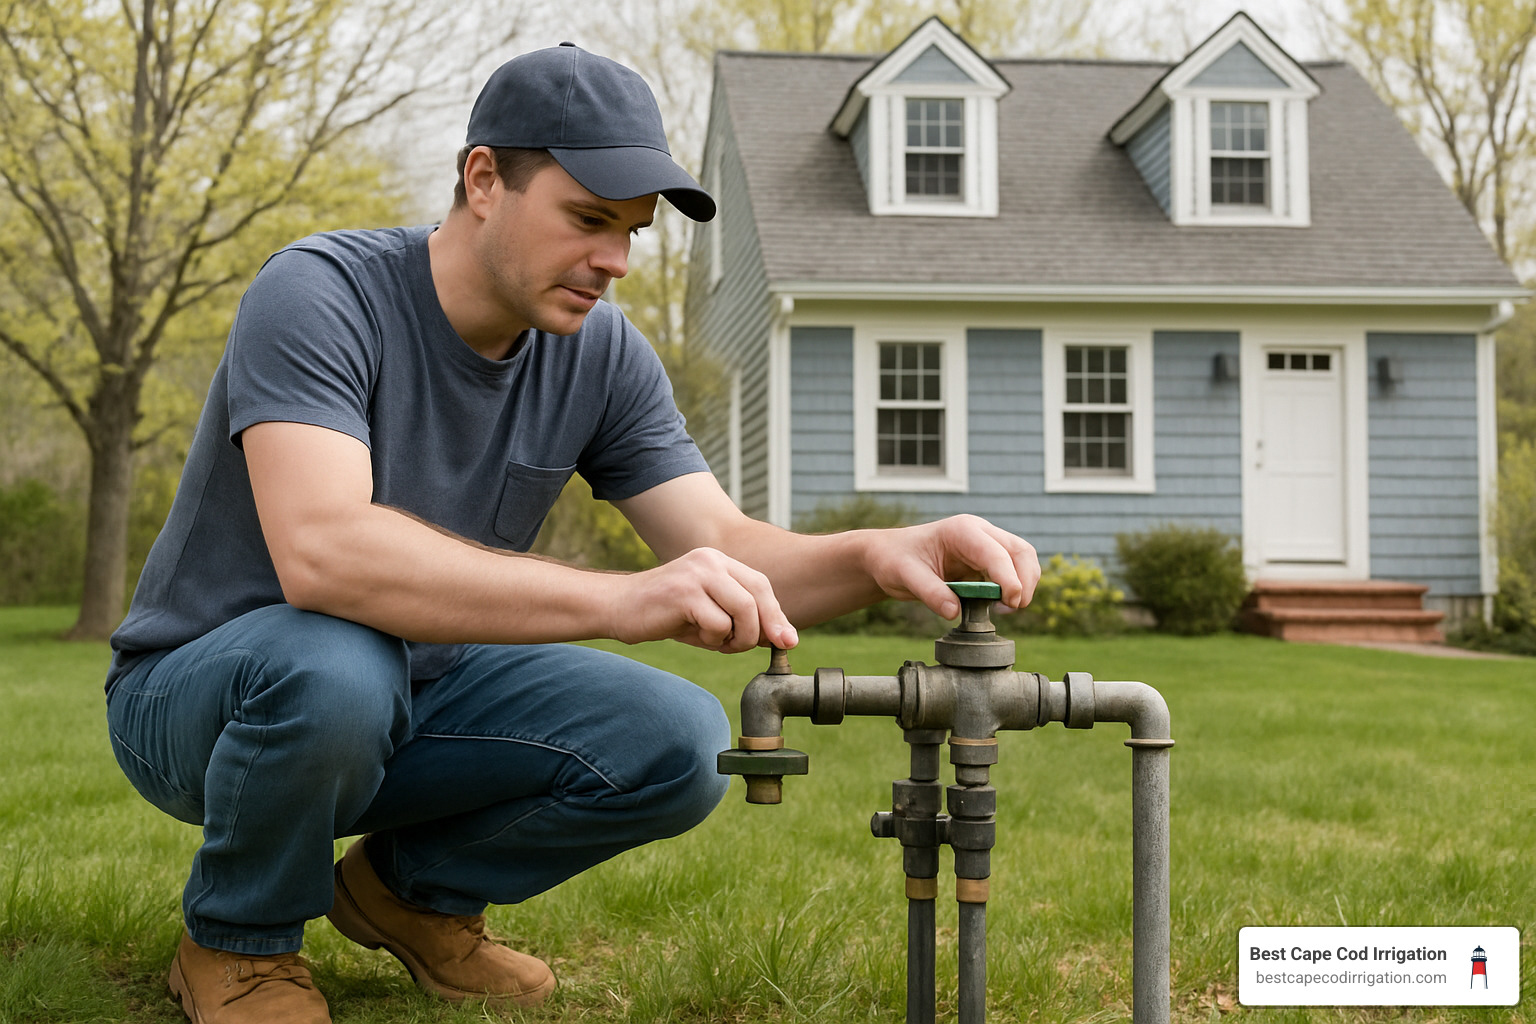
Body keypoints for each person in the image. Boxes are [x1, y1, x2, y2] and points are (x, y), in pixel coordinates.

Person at [104, 42, 1040, 1024]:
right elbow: (324, 552)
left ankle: (405, 896)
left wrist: (878, 555)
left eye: (631, 232)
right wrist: (621, 601)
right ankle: (237, 941)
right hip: (206, 698)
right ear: (483, 180)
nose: (615, 262)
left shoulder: (600, 354)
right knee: (333, 661)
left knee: (675, 740)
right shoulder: (319, 294)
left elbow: (719, 544)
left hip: (410, 688)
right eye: (589, 220)